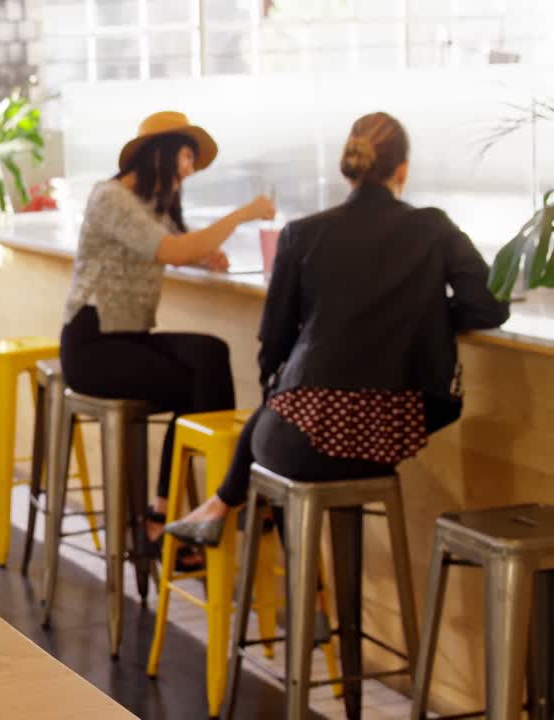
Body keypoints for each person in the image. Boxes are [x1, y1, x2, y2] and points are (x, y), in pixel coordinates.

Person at [166, 111, 510, 545]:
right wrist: (423, 314)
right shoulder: (433, 227)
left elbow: (273, 347)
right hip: (390, 434)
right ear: (403, 170)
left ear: (348, 167)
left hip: (301, 436)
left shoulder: (301, 234)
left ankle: (229, 510)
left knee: (276, 416)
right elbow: (490, 305)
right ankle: (229, 511)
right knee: (280, 417)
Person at [59, 110, 276, 564]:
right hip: (93, 347)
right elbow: (171, 250)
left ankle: (182, 509)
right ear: (159, 153)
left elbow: (179, 247)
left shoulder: (152, 206)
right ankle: (202, 509)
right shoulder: (110, 197)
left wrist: (206, 256)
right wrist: (244, 214)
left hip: (128, 338)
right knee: (195, 381)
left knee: (210, 354)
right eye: (186, 157)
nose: (190, 169)